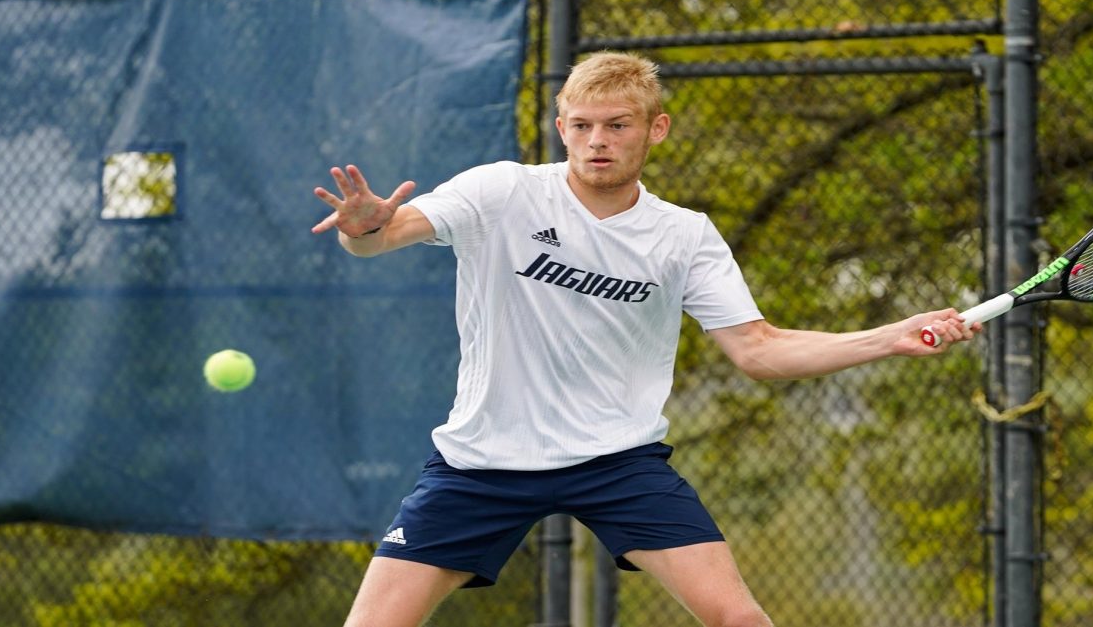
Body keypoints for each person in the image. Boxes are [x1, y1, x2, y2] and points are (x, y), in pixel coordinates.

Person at [310, 51, 979, 627]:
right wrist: (363, 226)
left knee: (739, 616)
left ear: (655, 129)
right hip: (482, 462)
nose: (597, 139)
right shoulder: (501, 192)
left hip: (616, 462)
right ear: (561, 127)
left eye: (617, 125)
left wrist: (889, 337)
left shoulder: (684, 235)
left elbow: (760, 350)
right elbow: (382, 237)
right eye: (582, 125)